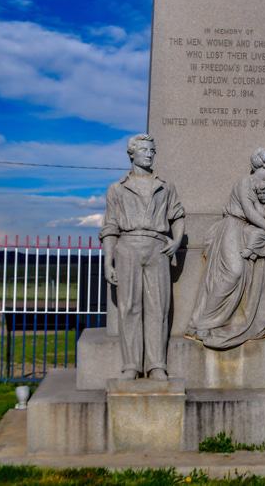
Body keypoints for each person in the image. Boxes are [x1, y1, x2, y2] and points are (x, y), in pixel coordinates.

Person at [186, 147, 265, 349]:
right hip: (232, 227)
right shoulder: (245, 182)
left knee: (241, 275)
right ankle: (201, 323)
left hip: (248, 231)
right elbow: (249, 211)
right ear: (263, 164)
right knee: (233, 273)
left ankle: (214, 323)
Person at [100, 134, 185, 380]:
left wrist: (177, 240)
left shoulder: (166, 187)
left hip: (157, 247)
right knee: (129, 308)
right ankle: (131, 365)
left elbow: (177, 215)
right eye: (145, 150)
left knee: (159, 308)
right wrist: (108, 262)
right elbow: (110, 227)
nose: (149, 154)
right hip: (127, 246)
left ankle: (157, 364)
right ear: (132, 154)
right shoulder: (117, 189)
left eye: (152, 150)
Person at [240, 178, 265, 261]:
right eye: (259, 194)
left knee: (256, 233)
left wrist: (255, 202)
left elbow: (263, 214)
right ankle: (257, 251)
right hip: (263, 228)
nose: (261, 196)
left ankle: (250, 249)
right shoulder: (263, 202)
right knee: (247, 230)